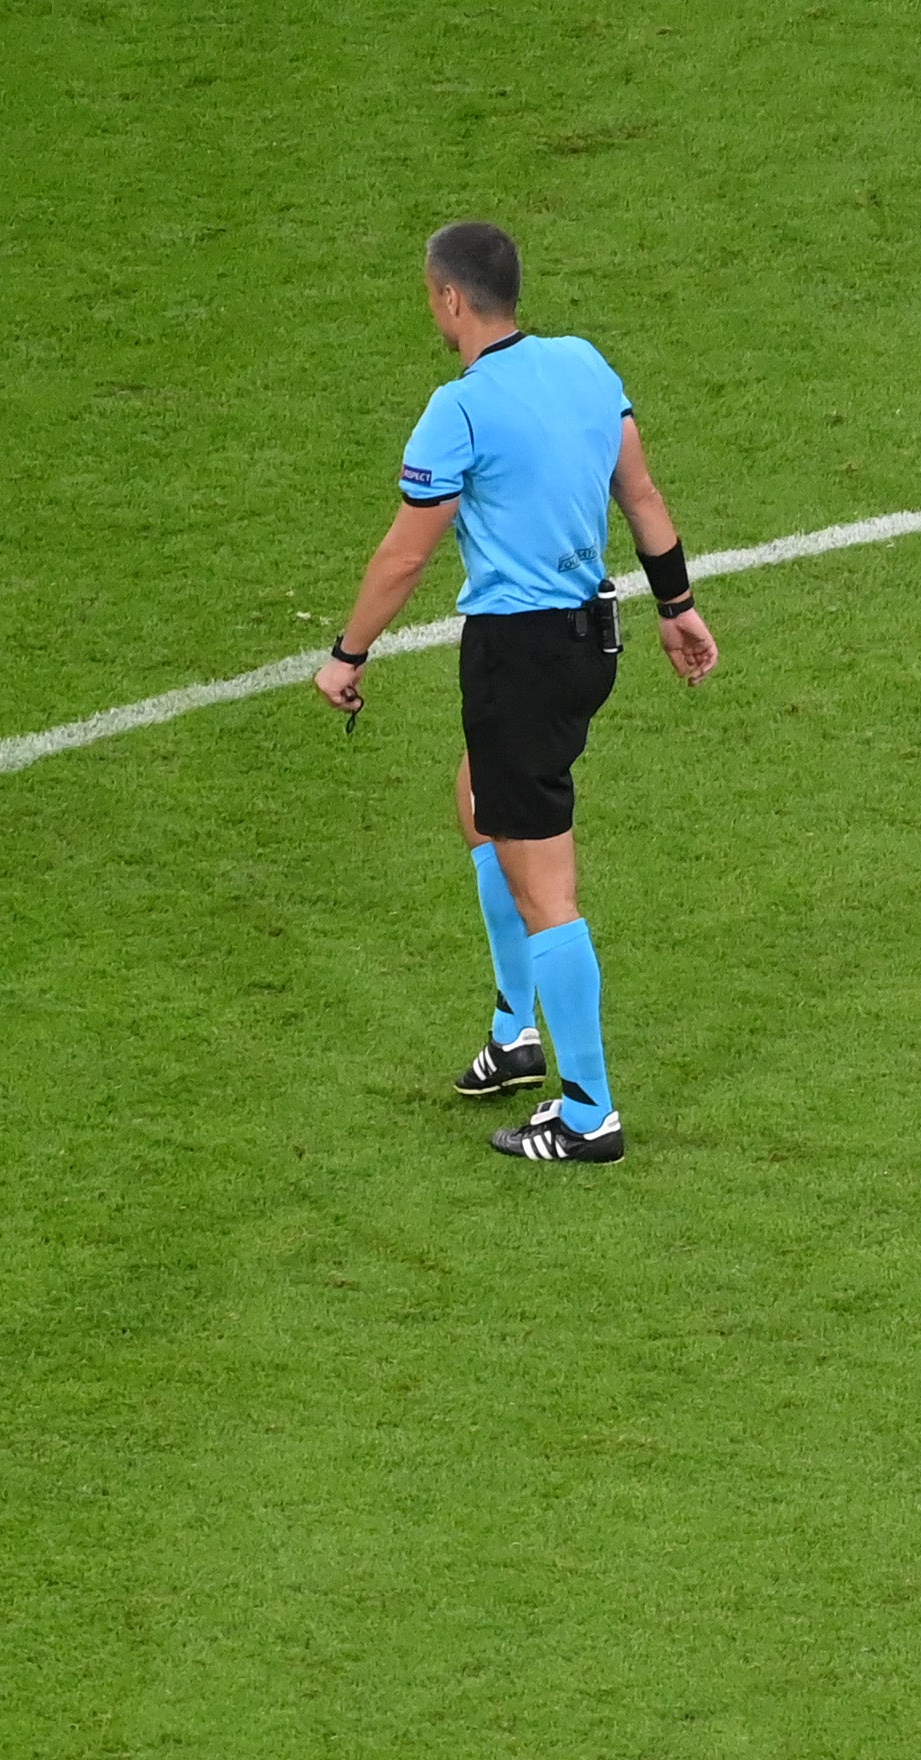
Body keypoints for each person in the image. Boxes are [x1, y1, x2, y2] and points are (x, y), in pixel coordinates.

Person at [312, 217, 719, 1164]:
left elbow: (406, 552)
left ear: (450, 298)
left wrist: (348, 653)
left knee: (547, 888)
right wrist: (678, 606)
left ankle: (588, 1112)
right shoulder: (583, 362)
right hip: (592, 642)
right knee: (476, 801)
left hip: (518, 658)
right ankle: (514, 1034)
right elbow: (643, 495)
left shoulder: (456, 410)